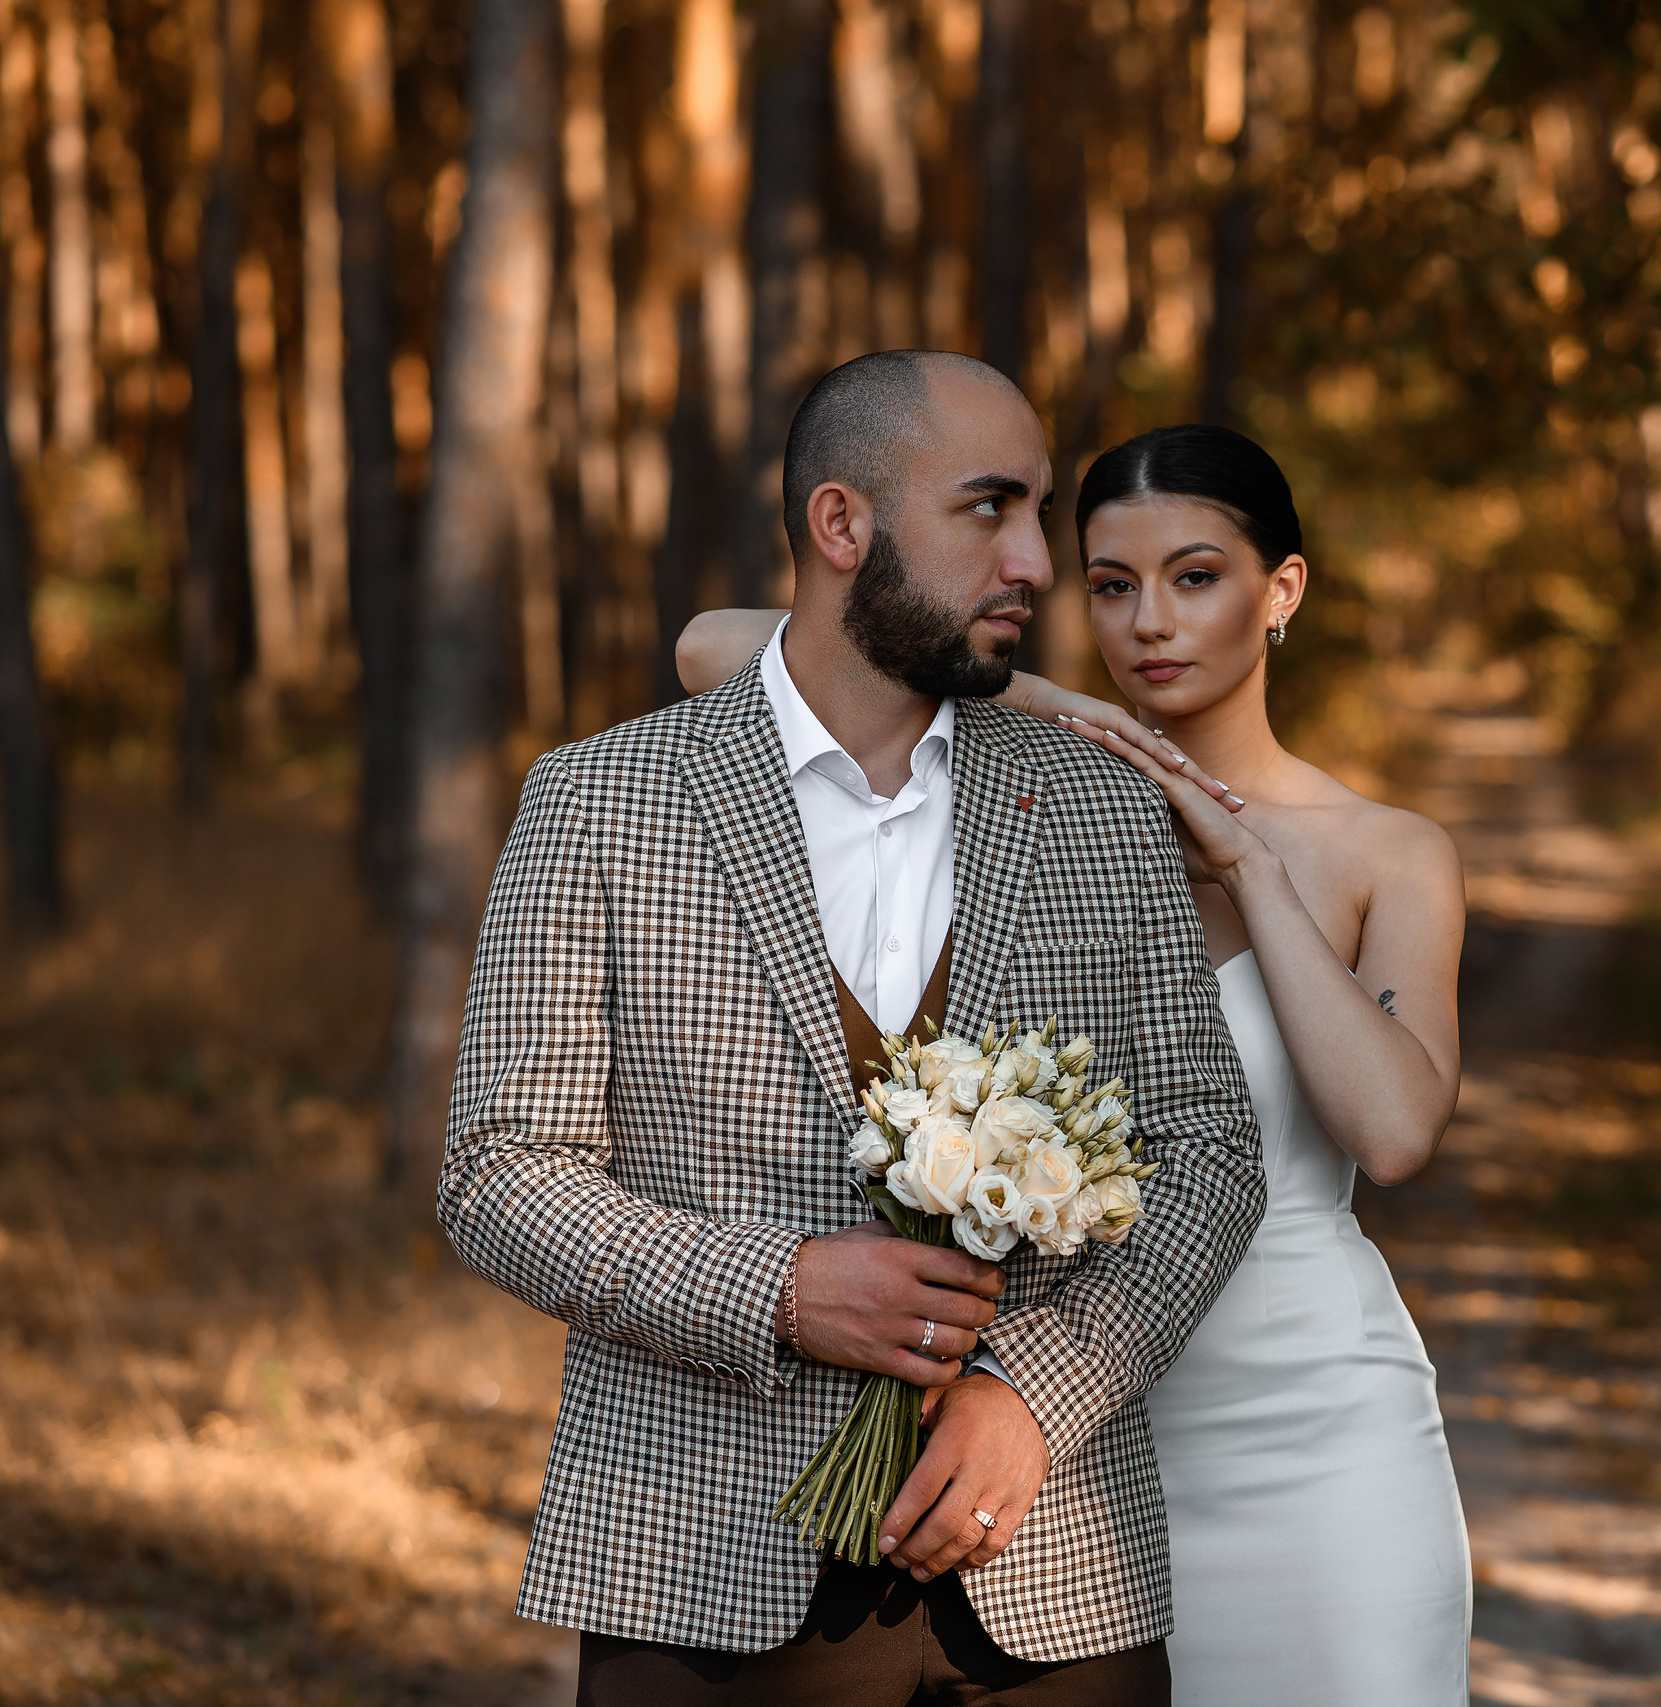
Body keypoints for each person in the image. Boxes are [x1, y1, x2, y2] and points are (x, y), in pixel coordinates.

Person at [439, 352, 1265, 1706]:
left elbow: (1210, 1152)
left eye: (1038, 512)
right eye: (988, 509)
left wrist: (1032, 1396)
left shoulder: (1100, 812)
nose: (1036, 563)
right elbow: (497, 1170)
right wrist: (776, 1287)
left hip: (1050, 1593)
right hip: (698, 1569)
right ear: (842, 526)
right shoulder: (602, 802)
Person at [677, 421, 1473, 1705]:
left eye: (1197, 577)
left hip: (1311, 1430)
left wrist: (1249, 867)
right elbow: (708, 646)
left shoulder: (1386, 852)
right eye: (1112, 585)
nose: (1150, 622)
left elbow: (1391, 1130)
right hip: (1060, 1433)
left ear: (1285, 592)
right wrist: (1064, 715)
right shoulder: (1026, 797)